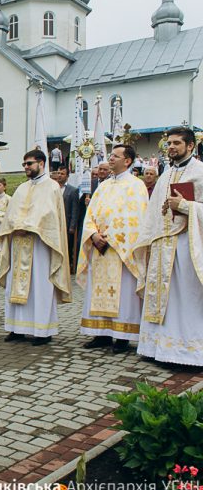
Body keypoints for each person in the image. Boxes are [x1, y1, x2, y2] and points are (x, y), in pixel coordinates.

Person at [133, 127, 203, 366]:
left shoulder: (201, 172)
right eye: (169, 143)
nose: (171, 147)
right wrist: (149, 241)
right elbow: (153, 213)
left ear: (190, 146)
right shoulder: (165, 175)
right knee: (164, 297)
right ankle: (159, 348)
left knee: (186, 298)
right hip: (163, 246)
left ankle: (187, 353)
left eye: (176, 143)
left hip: (187, 247)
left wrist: (185, 206)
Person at [78, 144, 149, 353]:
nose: (110, 159)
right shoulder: (103, 186)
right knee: (96, 291)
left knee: (124, 293)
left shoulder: (137, 186)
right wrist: (93, 235)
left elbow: (137, 219)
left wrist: (112, 239)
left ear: (127, 161)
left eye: (115, 156)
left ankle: (122, 337)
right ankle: (101, 334)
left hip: (121, 251)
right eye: (110, 155)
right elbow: (90, 215)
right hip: (99, 247)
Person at [0, 150, 71, 346]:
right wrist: (14, 226)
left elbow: (50, 216)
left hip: (40, 244)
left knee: (40, 286)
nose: (26, 167)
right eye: (24, 164)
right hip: (18, 243)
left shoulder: (52, 187)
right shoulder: (21, 188)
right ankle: (17, 328)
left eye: (29, 164)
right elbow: (10, 214)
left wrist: (30, 226)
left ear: (41, 163)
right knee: (15, 284)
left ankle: (42, 331)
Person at [55, 165, 80, 270]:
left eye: (62, 174)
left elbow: (75, 209)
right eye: (58, 173)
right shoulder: (53, 188)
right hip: (54, 223)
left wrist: (72, 226)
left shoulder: (73, 190)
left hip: (67, 223)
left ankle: (67, 266)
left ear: (67, 176)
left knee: (67, 247)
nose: (60, 176)